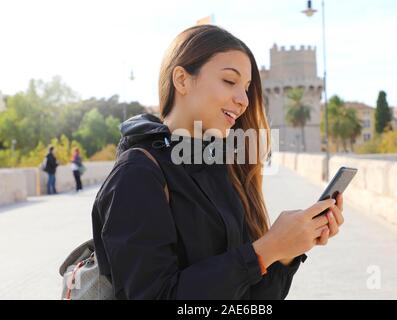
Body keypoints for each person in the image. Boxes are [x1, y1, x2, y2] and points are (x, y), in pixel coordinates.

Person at [91, 25, 345, 300]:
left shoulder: (226, 169)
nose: (243, 100)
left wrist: (286, 252)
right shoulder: (138, 175)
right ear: (182, 80)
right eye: (229, 81)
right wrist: (265, 251)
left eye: (246, 88)